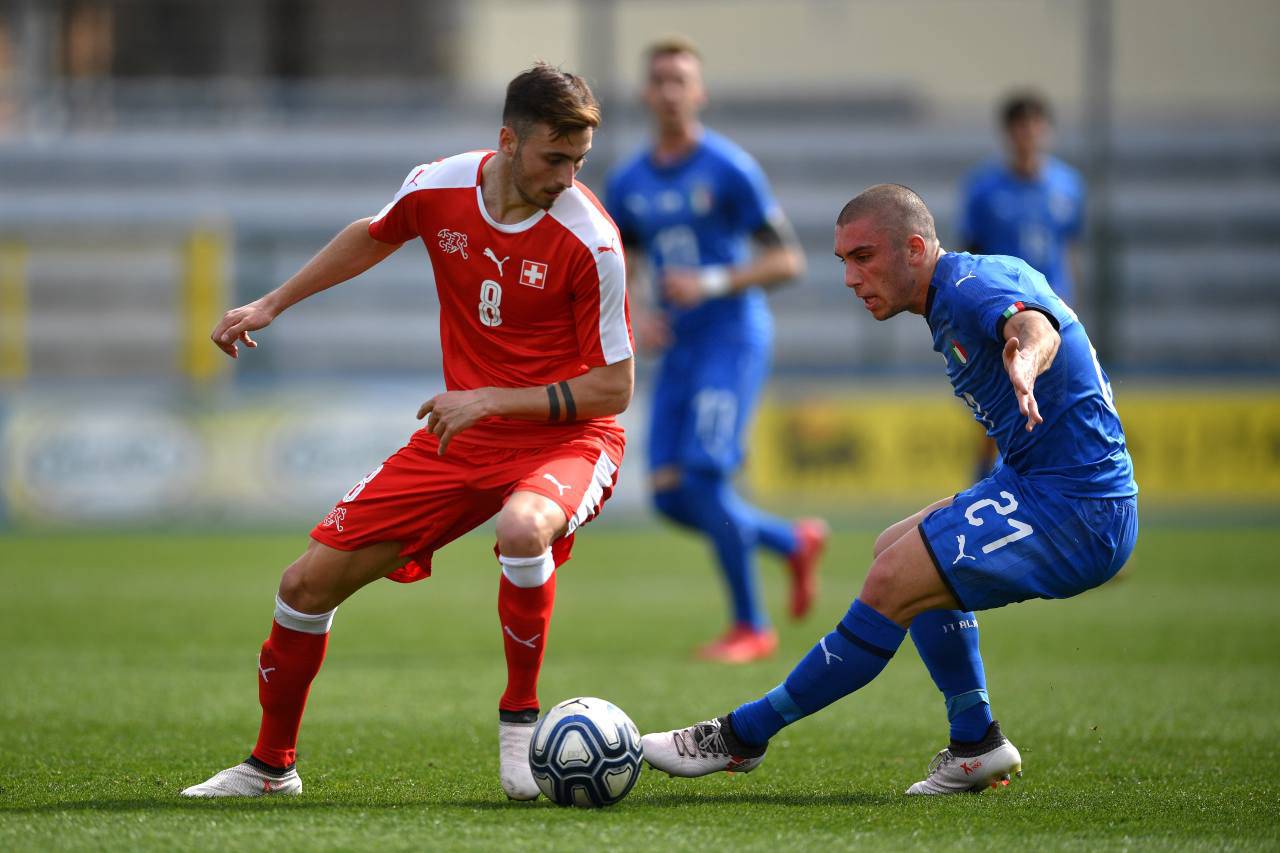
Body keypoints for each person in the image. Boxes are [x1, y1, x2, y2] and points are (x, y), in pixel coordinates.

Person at [181, 63, 634, 801]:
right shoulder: (441, 185)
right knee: (304, 583)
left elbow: (614, 388)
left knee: (523, 530)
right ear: (507, 141)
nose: (567, 177)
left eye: (579, 162)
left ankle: (519, 727)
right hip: (465, 432)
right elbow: (375, 232)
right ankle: (270, 767)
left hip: (570, 438)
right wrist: (273, 302)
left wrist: (490, 399)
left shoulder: (594, 241)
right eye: (555, 158)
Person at [642, 184, 1137, 794]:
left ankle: (739, 736)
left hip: (1077, 507)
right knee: (894, 549)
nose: (850, 277)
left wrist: (1026, 359)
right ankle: (975, 741)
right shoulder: (961, 286)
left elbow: (1032, 327)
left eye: (863, 257)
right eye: (843, 261)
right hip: (1042, 485)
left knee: (891, 580)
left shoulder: (967, 288)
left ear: (915, 247)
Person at [604, 37, 826, 664]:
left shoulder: (729, 169)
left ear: (699, 93)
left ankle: (751, 626)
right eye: (660, 81)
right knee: (671, 496)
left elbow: (787, 259)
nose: (671, 92)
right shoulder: (629, 181)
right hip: (679, 346)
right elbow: (627, 255)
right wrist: (639, 311)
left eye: (682, 81)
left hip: (730, 338)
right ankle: (790, 542)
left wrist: (709, 281)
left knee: (704, 475)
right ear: (647, 95)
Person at [960, 91, 1087, 480]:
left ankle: (1048, 484)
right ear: (1008, 133)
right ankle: (986, 484)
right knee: (999, 409)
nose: (1028, 133)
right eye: (1020, 125)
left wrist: (1069, 302)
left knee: (1054, 407)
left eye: (1036, 124)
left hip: (1052, 312)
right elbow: (972, 252)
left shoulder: (1068, 186)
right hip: (1002, 312)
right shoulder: (984, 189)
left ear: (1046, 129)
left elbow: (1069, 249)